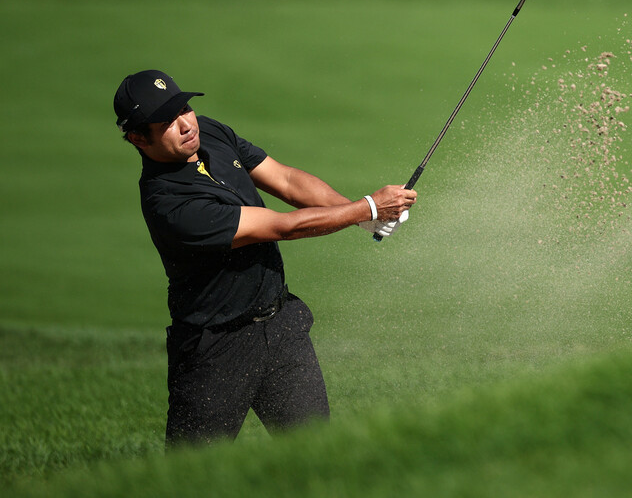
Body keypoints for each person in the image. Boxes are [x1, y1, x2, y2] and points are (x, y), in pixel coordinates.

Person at [113, 70, 416, 447]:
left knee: (317, 455)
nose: (186, 123)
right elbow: (282, 227)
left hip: (280, 325)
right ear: (138, 138)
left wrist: (358, 215)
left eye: (185, 108)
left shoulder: (210, 132)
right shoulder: (170, 205)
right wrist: (368, 208)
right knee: (192, 479)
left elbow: (285, 180)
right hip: (216, 349)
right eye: (168, 121)